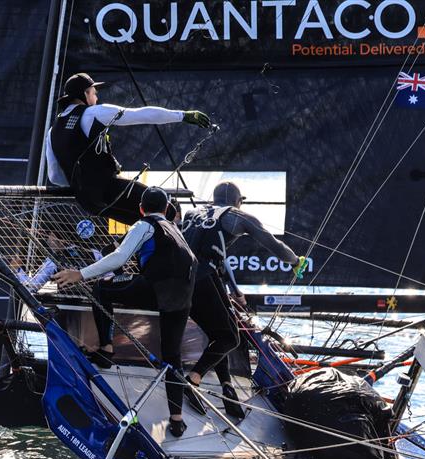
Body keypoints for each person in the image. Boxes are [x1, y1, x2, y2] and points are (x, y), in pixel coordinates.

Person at [53, 187, 198, 437]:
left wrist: (80, 274)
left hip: (155, 289)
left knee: (102, 288)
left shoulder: (144, 225)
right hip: (183, 297)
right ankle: (177, 419)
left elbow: (119, 257)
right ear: (166, 209)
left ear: (141, 209)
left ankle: (107, 350)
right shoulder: (176, 229)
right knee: (172, 356)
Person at [181, 181, 300, 418]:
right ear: (238, 201)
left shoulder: (192, 213)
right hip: (202, 279)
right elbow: (275, 246)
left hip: (181, 278)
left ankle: (227, 386)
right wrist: (295, 261)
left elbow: (211, 253)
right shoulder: (237, 216)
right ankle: (192, 380)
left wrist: (234, 289)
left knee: (219, 334)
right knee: (230, 338)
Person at [46, 72, 210, 225]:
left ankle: (128, 243)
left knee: (146, 223)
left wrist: (82, 183)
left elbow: (54, 177)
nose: (96, 97)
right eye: (94, 93)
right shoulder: (93, 113)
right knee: (166, 210)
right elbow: (142, 114)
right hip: (108, 189)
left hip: (88, 202)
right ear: (85, 93)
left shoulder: (53, 130)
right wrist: (182, 115)